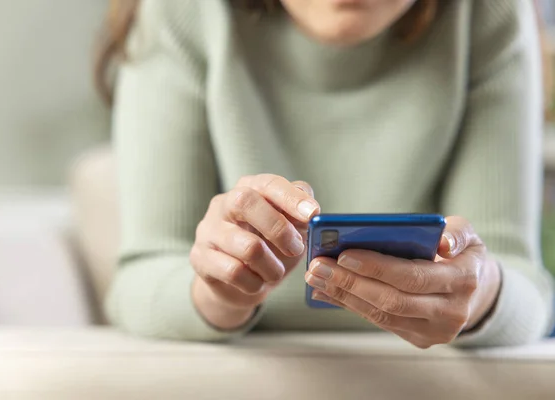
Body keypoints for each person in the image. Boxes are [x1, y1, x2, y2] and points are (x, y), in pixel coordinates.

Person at [96, 0, 554, 348]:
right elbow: (139, 280)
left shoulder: (489, 14)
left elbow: (524, 283)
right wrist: (221, 292)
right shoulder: (180, 12)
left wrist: (481, 294)